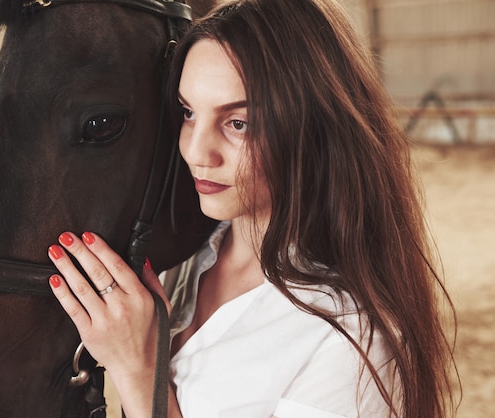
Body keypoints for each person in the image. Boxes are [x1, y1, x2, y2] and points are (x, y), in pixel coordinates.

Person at [46, 0, 458, 416]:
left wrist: (138, 370)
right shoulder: (184, 259)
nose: (195, 151)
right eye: (188, 113)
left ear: (315, 127)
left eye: (238, 123)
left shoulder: (354, 341)